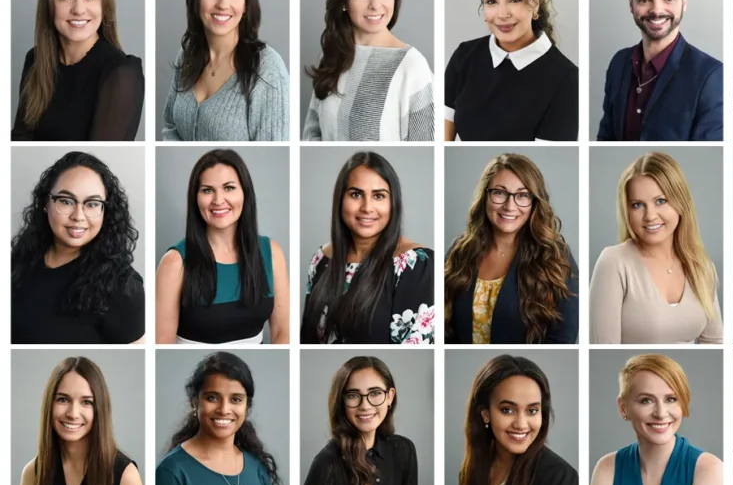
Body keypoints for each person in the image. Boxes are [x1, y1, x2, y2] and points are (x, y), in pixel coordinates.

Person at [155, 148, 289, 344]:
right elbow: (161, 345)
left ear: (245, 193)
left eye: (229, 188)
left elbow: (283, 334)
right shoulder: (175, 263)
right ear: (196, 198)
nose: (218, 201)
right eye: (207, 190)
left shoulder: (271, 253)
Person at [11, 151, 144, 345]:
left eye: (92, 204)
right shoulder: (20, 260)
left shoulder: (123, 287)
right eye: (66, 201)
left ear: (105, 211)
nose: (78, 215)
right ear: (46, 203)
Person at [589, 355, 723, 485]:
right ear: (623, 408)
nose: (661, 413)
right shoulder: (607, 468)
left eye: (671, 399)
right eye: (646, 401)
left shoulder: (710, 469)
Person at [301, 151, 434, 344]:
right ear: (340, 199)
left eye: (379, 196)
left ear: (393, 202)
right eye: (356, 194)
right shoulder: (321, 259)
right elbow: (307, 339)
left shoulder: (418, 265)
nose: (367, 207)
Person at [444, 0, 578, 141]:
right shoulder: (464, 57)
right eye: (492, 1)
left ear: (535, 3)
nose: (502, 13)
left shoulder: (566, 79)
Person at [444, 153, 578, 344]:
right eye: (499, 193)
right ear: (485, 196)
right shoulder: (459, 251)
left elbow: (564, 337)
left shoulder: (555, 257)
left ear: (534, 202)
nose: (509, 206)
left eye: (522, 195)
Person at [590, 152, 722, 344]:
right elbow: (601, 346)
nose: (650, 216)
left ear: (681, 203)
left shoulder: (702, 266)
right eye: (637, 205)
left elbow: (716, 341)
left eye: (660, 201)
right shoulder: (614, 262)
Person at [12, 0, 143, 141]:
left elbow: (94, 158)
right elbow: (20, 138)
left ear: (104, 4)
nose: (79, 10)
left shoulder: (121, 74)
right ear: (49, 5)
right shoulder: (35, 60)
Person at [303, 0, 433, 141]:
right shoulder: (331, 56)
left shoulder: (412, 66)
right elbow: (312, 133)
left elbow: (425, 142)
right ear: (344, 2)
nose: (375, 4)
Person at [155, 352, 282, 485]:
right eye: (212, 397)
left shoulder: (256, 466)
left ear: (247, 406)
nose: (224, 409)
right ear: (194, 402)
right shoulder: (172, 472)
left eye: (236, 399)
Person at [162, 0, 289, 141]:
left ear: (246, 4)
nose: (222, 4)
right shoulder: (187, 54)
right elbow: (171, 126)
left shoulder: (268, 68)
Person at [300, 357, 426, 485]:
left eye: (375, 393)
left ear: (390, 396)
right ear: (341, 401)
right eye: (353, 395)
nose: (365, 405)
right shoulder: (327, 465)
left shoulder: (404, 450)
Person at [452, 355, 578, 485]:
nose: (521, 424)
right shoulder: (471, 470)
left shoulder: (558, 480)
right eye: (507, 410)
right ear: (486, 414)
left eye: (532, 411)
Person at [597, 0, 723, 141]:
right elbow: (605, 139)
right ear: (631, 4)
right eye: (644, 0)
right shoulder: (619, 63)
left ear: (684, 2)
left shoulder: (710, 75)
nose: (656, 10)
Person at [19, 357, 144, 485]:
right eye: (63, 399)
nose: (73, 413)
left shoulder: (125, 476)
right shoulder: (32, 474)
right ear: (49, 404)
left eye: (86, 402)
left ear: (99, 408)